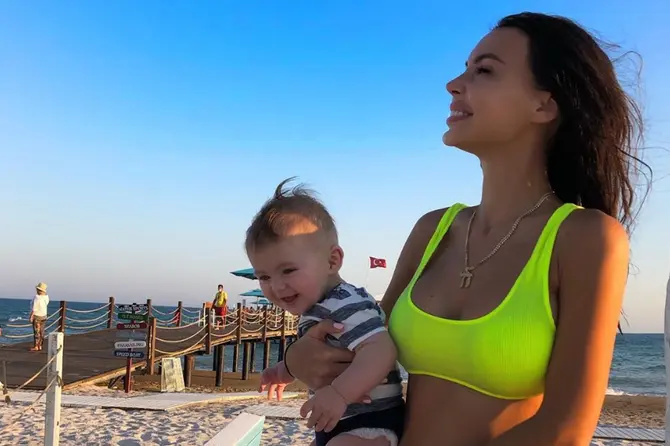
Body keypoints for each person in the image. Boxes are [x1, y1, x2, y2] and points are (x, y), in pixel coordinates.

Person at [280, 12, 651, 446]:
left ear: (543, 105)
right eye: (464, 68)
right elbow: (364, 343)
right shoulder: (433, 230)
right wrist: (298, 357)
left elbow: (565, 430)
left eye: (484, 70)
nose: (453, 84)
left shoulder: (584, 237)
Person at [247, 179, 404, 446]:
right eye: (264, 277)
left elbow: (381, 350)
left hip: (371, 419)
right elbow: (321, 353)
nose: (277, 286)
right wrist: (282, 371)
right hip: (339, 420)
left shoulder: (345, 302)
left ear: (332, 261)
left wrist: (340, 394)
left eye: (288, 270)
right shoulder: (318, 306)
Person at [29, 282, 50, 352]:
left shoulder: (37, 297)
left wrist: (31, 316)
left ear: (38, 290)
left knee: (36, 332)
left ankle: (36, 346)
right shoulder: (46, 297)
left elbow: (34, 308)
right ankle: (40, 345)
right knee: (42, 332)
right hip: (44, 316)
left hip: (37, 317)